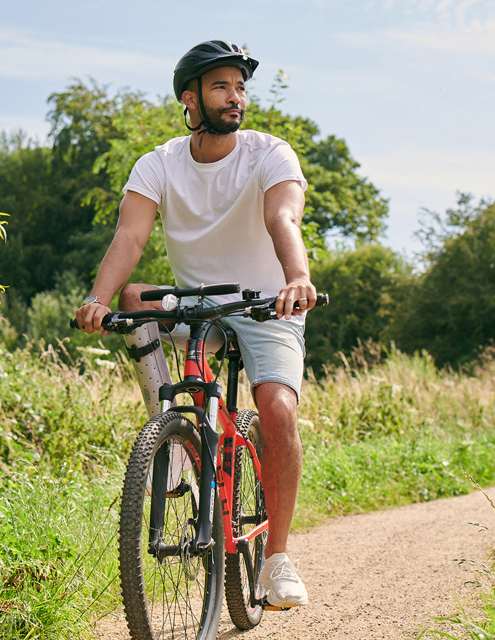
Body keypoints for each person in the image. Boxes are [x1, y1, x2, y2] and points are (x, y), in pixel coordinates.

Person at [75, 39, 316, 608]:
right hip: (195, 304)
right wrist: (98, 296)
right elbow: (131, 236)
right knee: (133, 298)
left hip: (266, 303)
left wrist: (297, 277)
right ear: (190, 99)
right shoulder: (158, 163)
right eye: (221, 87)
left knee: (276, 407)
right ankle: (173, 432)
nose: (236, 98)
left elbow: (282, 215)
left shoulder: (269, 152)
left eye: (240, 87)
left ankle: (277, 560)